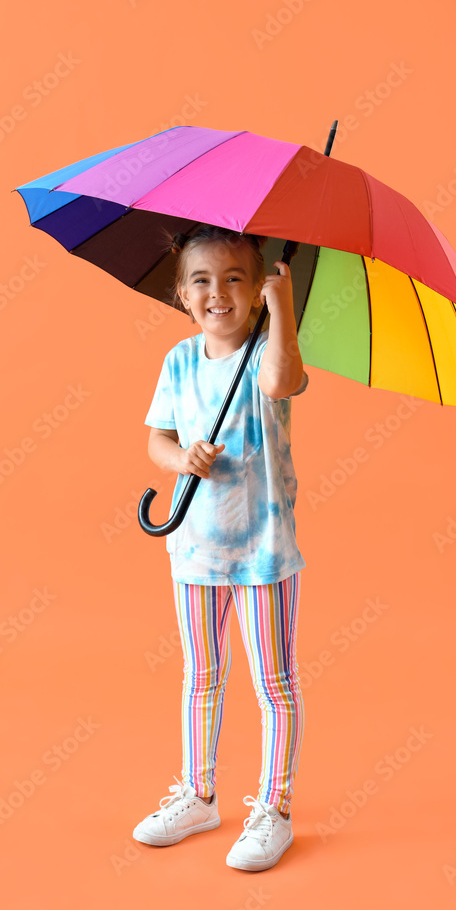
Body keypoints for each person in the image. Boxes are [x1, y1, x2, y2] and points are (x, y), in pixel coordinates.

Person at [132, 224, 309, 871]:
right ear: (181, 294)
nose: (218, 293)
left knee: (274, 682)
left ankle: (275, 808)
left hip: (264, 552)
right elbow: (157, 441)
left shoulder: (270, 349)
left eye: (236, 279)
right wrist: (185, 457)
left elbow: (282, 383)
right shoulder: (178, 361)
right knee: (201, 677)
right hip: (195, 549)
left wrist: (283, 309)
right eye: (202, 281)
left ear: (256, 291)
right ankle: (198, 794)